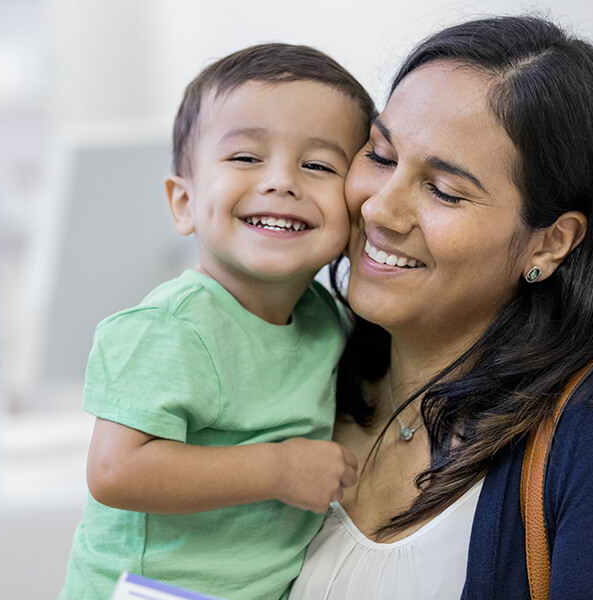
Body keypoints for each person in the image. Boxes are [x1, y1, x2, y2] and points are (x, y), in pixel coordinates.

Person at [289, 15, 593, 599]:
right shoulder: (300, 365)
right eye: (380, 155)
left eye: (444, 191)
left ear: (550, 242)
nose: (380, 209)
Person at [58, 43, 376, 600]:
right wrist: (278, 471)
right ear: (183, 203)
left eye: (319, 166)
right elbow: (115, 473)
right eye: (245, 158)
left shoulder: (328, 321)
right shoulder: (169, 327)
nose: (282, 181)